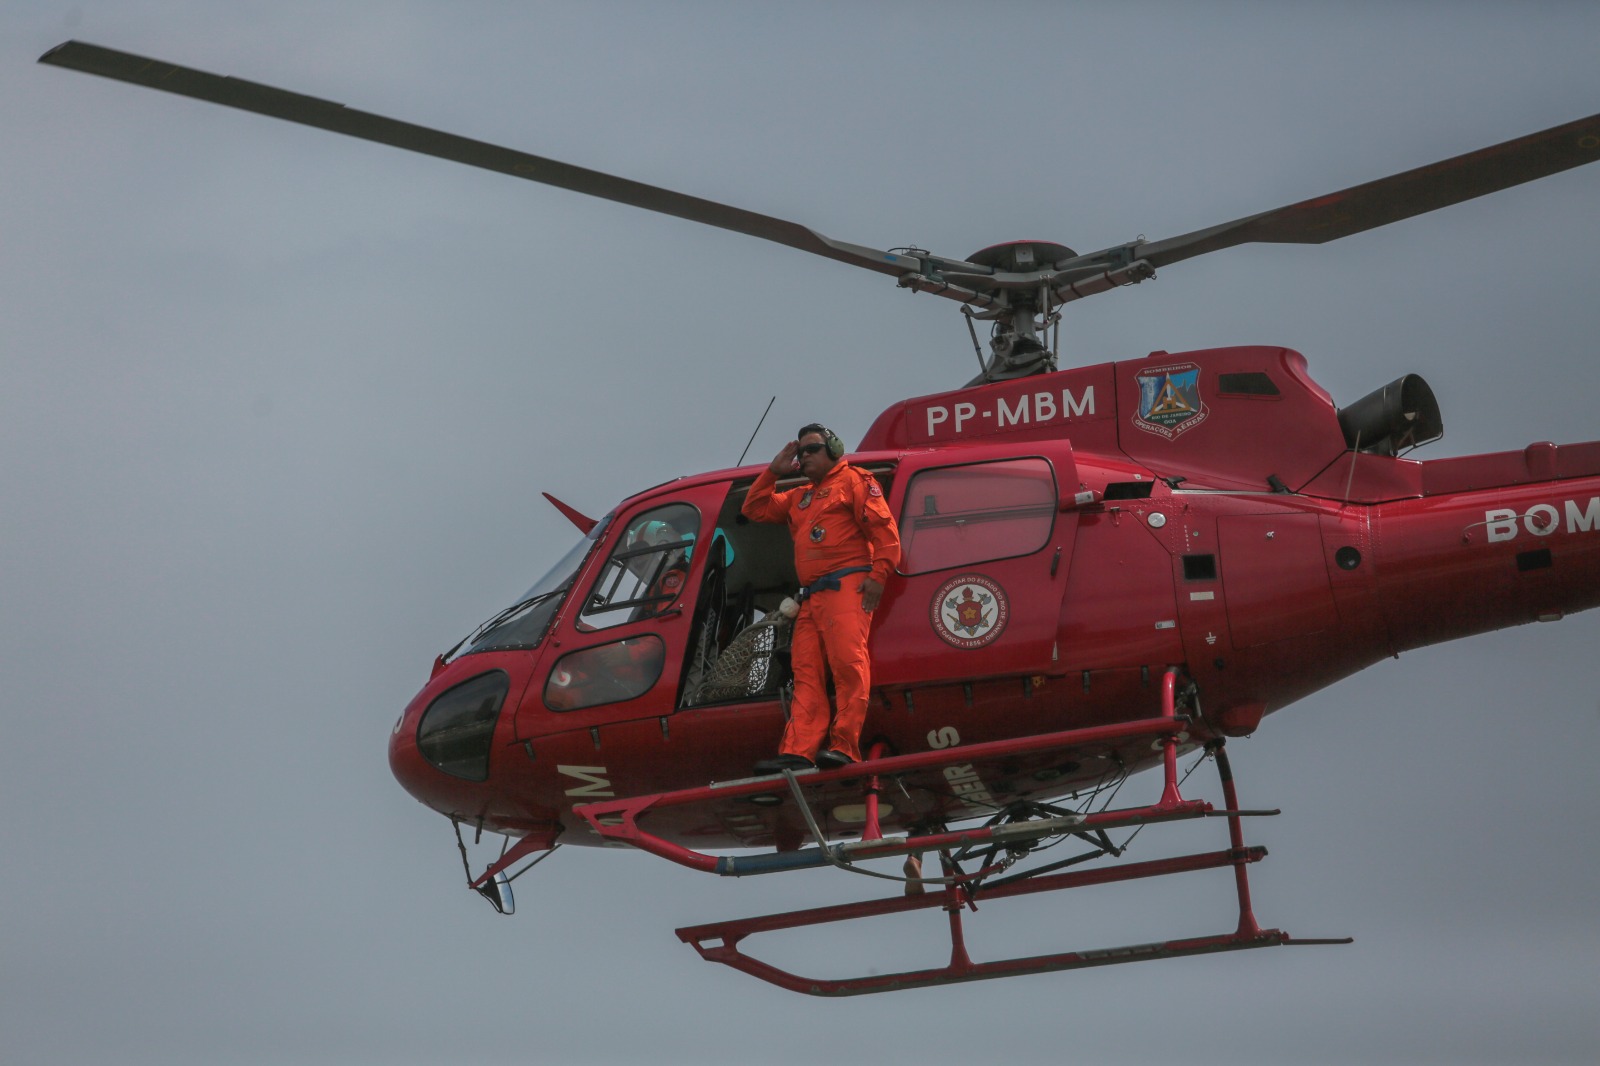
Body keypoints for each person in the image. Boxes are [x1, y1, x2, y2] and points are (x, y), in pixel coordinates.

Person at [742, 423, 900, 773]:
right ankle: (799, 751)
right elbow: (755, 509)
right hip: (812, 598)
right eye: (800, 452)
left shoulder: (855, 481)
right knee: (806, 673)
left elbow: (884, 530)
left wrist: (879, 574)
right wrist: (773, 471)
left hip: (848, 587)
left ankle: (845, 746)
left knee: (847, 664)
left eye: (811, 449)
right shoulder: (801, 496)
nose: (804, 457)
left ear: (834, 449)